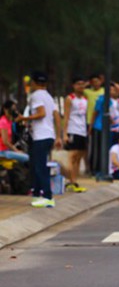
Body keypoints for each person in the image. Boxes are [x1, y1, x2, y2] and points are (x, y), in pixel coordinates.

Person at [16, 71, 62, 208]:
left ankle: (48, 197)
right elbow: (57, 117)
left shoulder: (35, 96)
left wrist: (24, 119)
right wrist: (58, 136)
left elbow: (41, 114)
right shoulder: (49, 96)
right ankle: (36, 194)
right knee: (36, 165)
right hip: (49, 135)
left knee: (40, 167)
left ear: (34, 83)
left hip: (40, 136)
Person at [63, 76, 89, 193]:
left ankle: (75, 181)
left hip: (82, 131)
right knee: (72, 156)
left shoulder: (85, 99)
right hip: (72, 130)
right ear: (74, 86)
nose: (81, 86)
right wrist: (65, 133)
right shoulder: (70, 98)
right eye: (78, 84)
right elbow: (67, 116)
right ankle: (70, 181)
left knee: (79, 157)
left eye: (83, 84)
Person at [89, 82, 119, 174]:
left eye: (113, 89)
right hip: (98, 127)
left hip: (108, 129)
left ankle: (103, 168)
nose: (112, 91)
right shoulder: (101, 99)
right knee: (97, 149)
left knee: (105, 149)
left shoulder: (111, 100)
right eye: (110, 89)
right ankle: (94, 169)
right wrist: (91, 127)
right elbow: (95, 113)